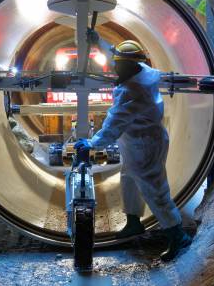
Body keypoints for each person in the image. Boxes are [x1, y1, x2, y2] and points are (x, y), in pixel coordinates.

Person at [74, 36, 191, 262]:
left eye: (117, 64)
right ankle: (134, 222)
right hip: (135, 141)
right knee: (128, 178)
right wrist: (98, 41)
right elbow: (117, 53)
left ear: (128, 66)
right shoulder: (141, 69)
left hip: (144, 144)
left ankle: (178, 235)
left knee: (154, 190)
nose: (113, 66)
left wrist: (92, 143)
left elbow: (115, 123)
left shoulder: (133, 90)